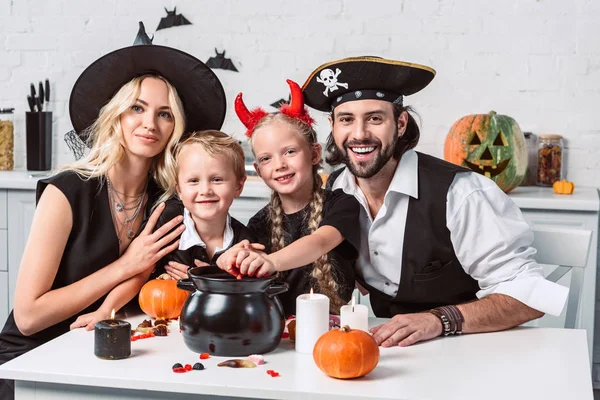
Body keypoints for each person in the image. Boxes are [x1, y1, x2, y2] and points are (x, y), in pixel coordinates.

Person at [0, 27, 226, 399]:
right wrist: (125, 265)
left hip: (111, 351)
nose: (150, 123)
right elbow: (27, 318)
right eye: (137, 108)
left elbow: (172, 278)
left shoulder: (167, 199)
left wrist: (195, 276)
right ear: (116, 115)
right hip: (34, 361)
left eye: (164, 113)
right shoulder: (66, 191)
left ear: (176, 128)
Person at [301, 56, 568, 347]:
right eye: (346, 119)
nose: (360, 133)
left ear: (400, 124)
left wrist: (439, 320)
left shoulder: (462, 193)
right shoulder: (336, 189)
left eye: (375, 118)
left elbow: (528, 297)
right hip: (384, 353)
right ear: (333, 126)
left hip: (473, 349)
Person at [215, 80, 360, 316]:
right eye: (266, 159)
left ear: (314, 154)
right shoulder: (258, 223)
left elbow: (320, 242)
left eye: (290, 152)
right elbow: (250, 269)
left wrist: (271, 261)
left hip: (333, 330)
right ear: (259, 171)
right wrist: (234, 259)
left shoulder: (342, 204)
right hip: (278, 334)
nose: (280, 165)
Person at [151, 130, 257, 281]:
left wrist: (206, 281)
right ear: (179, 190)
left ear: (238, 187)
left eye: (217, 179)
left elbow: (245, 294)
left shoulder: (245, 243)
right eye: (194, 181)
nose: (205, 190)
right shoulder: (166, 220)